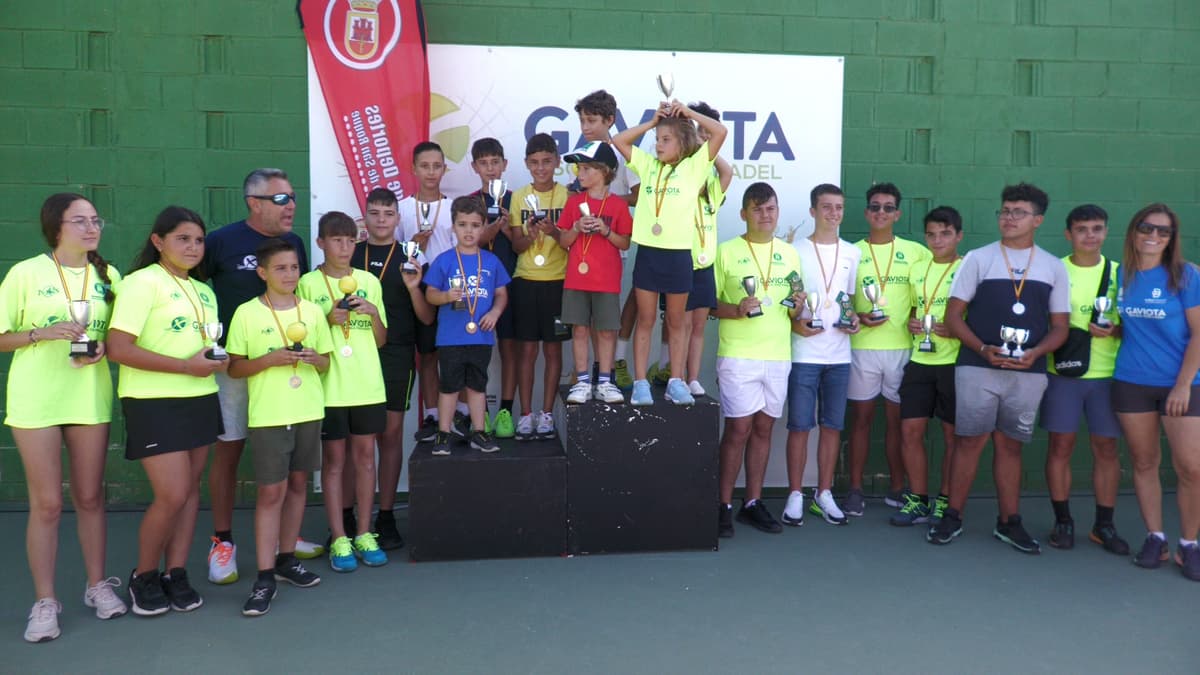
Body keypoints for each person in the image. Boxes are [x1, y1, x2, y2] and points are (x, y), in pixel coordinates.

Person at [0, 193, 126, 642]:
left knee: (90, 497)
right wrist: (41, 333)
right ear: (56, 227)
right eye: (80, 221)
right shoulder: (26, 273)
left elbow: (121, 337)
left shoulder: (109, 276)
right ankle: (45, 602)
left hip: (88, 398)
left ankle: (97, 587)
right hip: (36, 400)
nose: (91, 228)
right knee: (48, 504)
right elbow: (1, 336)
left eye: (96, 220)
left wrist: (102, 349)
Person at [928, 183, 1070, 554]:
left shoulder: (1053, 266)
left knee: (1009, 447)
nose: (1008, 218)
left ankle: (1009, 522)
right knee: (969, 442)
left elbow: (1060, 327)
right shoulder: (979, 257)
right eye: (1004, 211)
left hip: (1028, 372)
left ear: (1037, 220)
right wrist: (981, 348)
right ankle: (953, 516)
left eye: (1018, 212)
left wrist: (1036, 352)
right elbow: (953, 315)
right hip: (977, 366)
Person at [107, 206, 226, 614]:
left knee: (190, 493)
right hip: (154, 401)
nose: (193, 247)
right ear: (159, 242)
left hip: (201, 396)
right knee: (172, 494)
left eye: (198, 240)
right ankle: (144, 575)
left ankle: (176, 572)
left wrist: (212, 361)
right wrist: (185, 366)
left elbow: (199, 348)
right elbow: (119, 349)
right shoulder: (141, 284)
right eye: (182, 239)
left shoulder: (204, 290)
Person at [199, 168, 314, 584]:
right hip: (235, 367)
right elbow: (193, 295)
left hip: (286, 369)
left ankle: (286, 540)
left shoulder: (294, 243)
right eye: (282, 199)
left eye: (293, 197)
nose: (292, 206)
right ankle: (223, 541)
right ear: (254, 202)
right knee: (229, 451)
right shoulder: (220, 241)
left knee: (291, 460)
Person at [227, 238, 332, 616]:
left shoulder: (313, 312)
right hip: (270, 416)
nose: (289, 274)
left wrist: (313, 357)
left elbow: (326, 364)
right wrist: (269, 360)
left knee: (300, 485)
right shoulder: (246, 314)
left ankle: (287, 558)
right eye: (280, 268)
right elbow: (234, 367)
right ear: (262, 273)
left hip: (308, 410)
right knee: (272, 493)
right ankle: (265, 576)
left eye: (293, 268)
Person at [612, 99, 728, 406]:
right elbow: (618, 140)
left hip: (679, 256)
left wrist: (687, 114)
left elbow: (719, 132)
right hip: (649, 253)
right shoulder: (648, 165)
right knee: (646, 319)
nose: (659, 145)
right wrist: (653, 122)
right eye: (656, 140)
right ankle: (639, 384)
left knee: (676, 321)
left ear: (683, 142)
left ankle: (676, 380)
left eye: (666, 140)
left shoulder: (694, 168)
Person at [1112, 203, 1200, 580]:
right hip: (1132, 381)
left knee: (1191, 468)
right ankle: (1156, 537)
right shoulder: (1123, 275)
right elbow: (1132, 327)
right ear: (1134, 230)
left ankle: (1189, 545)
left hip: (1183, 385)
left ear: (1171, 239)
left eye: (1163, 231)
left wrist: (1182, 385)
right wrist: (1110, 331)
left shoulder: (1186, 275)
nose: (1153, 236)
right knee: (1144, 463)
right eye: (1147, 227)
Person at [297, 212, 389, 572]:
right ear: (320, 242)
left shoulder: (369, 281)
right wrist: (326, 318)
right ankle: (339, 537)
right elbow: (300, 332)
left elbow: (382, 339)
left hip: (367, 384)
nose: (345, 247)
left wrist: (372, 312)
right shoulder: (306, 283)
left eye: (351, 240)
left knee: (366, 460)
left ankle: (365, 533)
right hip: (329, 388)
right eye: (337, 240)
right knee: (334, 464)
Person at [713, 183, 804, 536]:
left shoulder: (790, 253)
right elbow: (705, 304)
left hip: (779, 355)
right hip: (738, 355)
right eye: (757, 209)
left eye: (770, 209)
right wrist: (735, 310)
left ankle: (751, 503)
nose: (765, 215)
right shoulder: (725, 252)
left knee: (764, 428)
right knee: (738, 429)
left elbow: (797, 299)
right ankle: (722, 504)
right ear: (743, 214)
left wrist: (800, 307)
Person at [1040, 205, 1128, 554]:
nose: (1090, 235)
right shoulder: (1054, 271)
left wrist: (1115, 329)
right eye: (1082, 229)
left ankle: (1103, 525)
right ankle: (1063, 521)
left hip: (1108, 375)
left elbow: (1136, 325)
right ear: (1068, 234)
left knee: (1106, 449)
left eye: (1097, 228)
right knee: (1060, 446)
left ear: (1106, 232)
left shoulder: (1121, 274)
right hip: (1062, 373)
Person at [352, 187, 434, 549]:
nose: (381, 220)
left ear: (398, 219)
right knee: (354, 440)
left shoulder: (411, 258)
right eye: (375, 213)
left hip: (397, 352)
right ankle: (349, 518)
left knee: (389, 434)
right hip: (352, 354)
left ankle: (385, 516)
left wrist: (414, 287)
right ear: (365, 217)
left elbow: (427, 317)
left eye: (388, 214)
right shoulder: (350, 253)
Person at [845, 183, 929, 516]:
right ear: (867, 212)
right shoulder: (851, 252)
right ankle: (854, 489)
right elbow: (841, 303)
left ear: (898, 214)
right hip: (862, 348)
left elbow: (927, 293)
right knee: (862, 421)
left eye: (888, 207)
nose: (882, 212)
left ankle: (898, 488)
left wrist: (914, 316)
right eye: (875, 207)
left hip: (902, 350)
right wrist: (857, 315)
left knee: (898, 424)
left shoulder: (917, 252)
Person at [783, 184, 861, 526]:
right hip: (804, 354)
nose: (833, 213)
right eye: (826, 207)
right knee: (800, 426)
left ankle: (824, 492)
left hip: (840, 356)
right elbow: (790, 304)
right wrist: (795, 325)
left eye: (839, 207)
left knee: (832, 427)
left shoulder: (852, 253)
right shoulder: (794, 251)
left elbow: (851, 302)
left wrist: (855, 320)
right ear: (813, 211)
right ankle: (795, 494)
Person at [891, 207, 964, 527]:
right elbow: (911, 309)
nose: (938, 240)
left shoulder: (968, 269)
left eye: (945, 233)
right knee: (910, 431)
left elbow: (977, 316)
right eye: (932, 234)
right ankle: (918, 499)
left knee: (952, 437)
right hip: (920, 360)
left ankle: (945, 500)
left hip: (954, 363)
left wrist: (957, 328)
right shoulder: (917, 269)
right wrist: (912, 323)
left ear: (958, 236)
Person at [424, 196, 511, 455]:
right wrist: (445, 297)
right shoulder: (444, 260)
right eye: (463, 225)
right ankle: (443, 432)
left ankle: (478, 431)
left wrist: (495, 313)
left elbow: (502, 293)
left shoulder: (491, 261)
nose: (469, 231)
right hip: (451, 337)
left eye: (475, 225)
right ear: (453, 227)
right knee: (449, 386)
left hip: (481, 337)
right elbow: (430, 294)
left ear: (484, 226)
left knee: (477, 386)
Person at [573, 89, 639, 390]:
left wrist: (606, 202)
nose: (586, 127)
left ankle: (606, 372)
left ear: (610, 120)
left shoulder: (623, 153)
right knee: (580, 321)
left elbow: (638, 195)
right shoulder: (582, 154)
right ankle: (583, 376)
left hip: (612, 246)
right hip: (582, 250)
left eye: (592, 120)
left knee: (606, 319)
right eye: (583, 121)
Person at [558, 141, 633, 405]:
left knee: (606, 331)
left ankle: (604, 381)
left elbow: (625, 243)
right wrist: (577, 227)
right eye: (579, 167)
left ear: (603, 171)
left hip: (607, 280)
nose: (579, 173)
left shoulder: (618, 206)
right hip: (577, 278)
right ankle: (581, 381)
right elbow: (563, 241)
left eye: (586, 168)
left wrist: (606, 231)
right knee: (579, 329)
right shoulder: (574, 202)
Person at [508, 133, 569, 439]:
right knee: (527, 351)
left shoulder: (568, 196)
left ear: (557, 162)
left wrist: (554, 231)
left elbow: (572, 243)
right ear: (526, 164)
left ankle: (546, 414)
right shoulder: (519, 197)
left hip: (558, 282)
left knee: (554, 351)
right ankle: (526, 413)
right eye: (535, 163)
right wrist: (532, 235)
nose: (541, 168)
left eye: (547, 161)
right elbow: (517, 245)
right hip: (526, 281)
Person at [398, 142, 456, 444]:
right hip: (418, 284)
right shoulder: (402, 209)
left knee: (453, 352)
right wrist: (415, 247)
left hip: (450, 284)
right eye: (425, 166)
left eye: (437, 166)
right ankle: (433, 413)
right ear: (414, 168)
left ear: (444, 169)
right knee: (428, 354)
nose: (431, 172)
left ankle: (457, 412)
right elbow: (398, 252)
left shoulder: (452, 207)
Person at [677, 101, 734, 397]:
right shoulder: (680, 170)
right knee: (681, 325)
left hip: (705, 261)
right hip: (680, 260)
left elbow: (728, 172)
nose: (702, 137)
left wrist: (706, 143)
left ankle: (693, 378)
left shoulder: (713, 180)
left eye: (707, 132)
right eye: (696, 131)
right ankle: (675, 375)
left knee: (698, 325)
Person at [467, 137, 517, 437]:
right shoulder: (470, 203)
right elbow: (469, 242)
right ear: (474, 167)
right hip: (478, 287)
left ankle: (506, 412)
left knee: (510, 350)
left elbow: (523, 244)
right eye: (483, 163)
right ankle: (479, 414)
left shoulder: (517, 198)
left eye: (494, 162)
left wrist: (508, 229)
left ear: (504, 165)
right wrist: (492, 228)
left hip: (511, 283)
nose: (490, 168)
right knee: (474, 352)